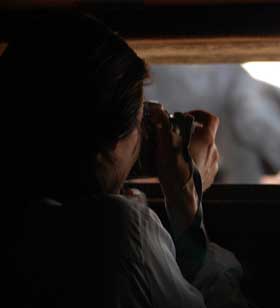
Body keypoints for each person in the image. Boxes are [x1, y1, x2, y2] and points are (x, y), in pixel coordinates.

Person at [3, 12, 253, 308]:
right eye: (138, 124)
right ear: (105, 147)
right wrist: (186, 199)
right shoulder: (121, 232)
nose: (142, 140)